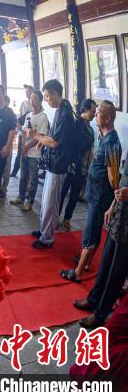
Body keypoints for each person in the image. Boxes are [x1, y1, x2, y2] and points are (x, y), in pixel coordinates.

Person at [61, 101, 120, 282]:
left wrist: (114, 202)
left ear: (107, 118)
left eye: (98, 112)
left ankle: (78, 273)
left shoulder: (111, 141)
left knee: (90, 232)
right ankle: (85, 263)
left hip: (100, 195)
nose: (95, 115)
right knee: (93, 230)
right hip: (95, 193)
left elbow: (113, 178)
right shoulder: (104, 136)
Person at [73, 158, 128, 328]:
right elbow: (123, 182)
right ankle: (93, 300)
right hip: (119, 218)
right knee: (105, 265)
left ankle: (100, 314)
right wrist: (112, 206)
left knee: (116, 273)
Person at [29, 79, 75, 249]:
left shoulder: (65, 113)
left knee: (50, 202)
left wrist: (36, 136)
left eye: (47, 96)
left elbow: (55, 142)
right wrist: (42, 140)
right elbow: (54, 136)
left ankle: (47, 238)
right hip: (54, 162)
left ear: (56, 94)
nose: (46, 100)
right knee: (47, 200)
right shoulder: (60, 109)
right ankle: (44, 230)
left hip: (59, 164)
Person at [58, 99, 97, 231]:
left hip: (82, 169)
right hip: (69, 167)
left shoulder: (90, 130)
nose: (94, 114)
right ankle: (56, 216)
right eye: (92, 112)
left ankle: (67, 218)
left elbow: (90, 151)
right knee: (62, 193)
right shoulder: (74, 124)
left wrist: (88, 169)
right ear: (85, 110)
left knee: (74, 196)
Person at [10, 90, 48, 212]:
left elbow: (40, 137)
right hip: (25, 151)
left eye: (35, 98)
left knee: (33, 179)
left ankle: (29, 201)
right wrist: (23, 146)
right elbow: (25, 132)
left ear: (40, 101)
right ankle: (21, 197)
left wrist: (27, 147)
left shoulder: (43, 117)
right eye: (31, 98)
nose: (32, 100)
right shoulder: (28, 115)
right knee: (23, 177)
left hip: (34, 154)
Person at [10, 84, 34, 178]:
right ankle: (15, 171)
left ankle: (28, 174)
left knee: (28, 152)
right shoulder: (23, 103)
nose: (27, 93)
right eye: (26, 91)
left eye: (29, 91)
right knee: (19, 152)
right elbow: (20, 116)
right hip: (21, 130)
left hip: (30, 132)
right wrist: (17, 127)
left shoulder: (35, 104)